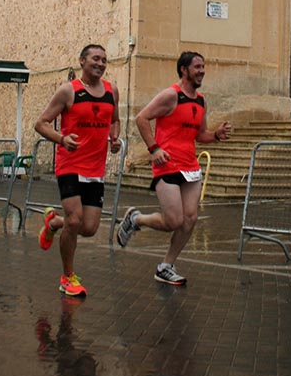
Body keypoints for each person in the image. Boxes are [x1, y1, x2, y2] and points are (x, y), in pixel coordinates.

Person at [116, 51, 231, 286]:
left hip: (190, 166)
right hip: (167, 165)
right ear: (184, 70)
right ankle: (136, 219)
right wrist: (154, 149)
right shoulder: (171, 95)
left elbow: (201, 135)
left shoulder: (201, 101)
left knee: (190, 219)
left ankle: (165, 266)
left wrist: (216, 135)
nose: (202, 71)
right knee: (173, 221)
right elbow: (141, 118)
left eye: (203, 66)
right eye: (197, 67)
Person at [34, 43, 120, 297]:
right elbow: (41, 123)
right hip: (69, 164)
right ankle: (67, 277)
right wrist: (61, 139)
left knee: (89, 227)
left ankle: (53, 223)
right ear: (82, 61)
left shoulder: (111, 90)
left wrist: (114, 139)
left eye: (104, 60)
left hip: (95, 169)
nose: (101, 63)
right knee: (75, 219)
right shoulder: (68, 92)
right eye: (95, 58)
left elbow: (114, 120)